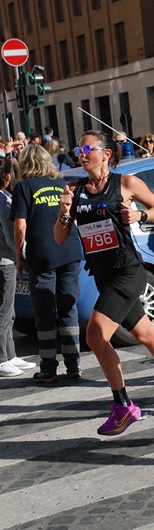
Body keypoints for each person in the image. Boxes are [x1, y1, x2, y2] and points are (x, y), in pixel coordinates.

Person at [54, 130, 154, 435]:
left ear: (106, 154)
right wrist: (65, 212)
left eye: (87, 148)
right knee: (146, 334)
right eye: (77, 148)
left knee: (95, 335)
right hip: (104, 273)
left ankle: (123, 405)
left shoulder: (125, 184)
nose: (80, 153)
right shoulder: (74, 188)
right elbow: (60, 238)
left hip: (129, 270)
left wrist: (140, 216)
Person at [10, 144, 83, 383]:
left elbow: (20, 226)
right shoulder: (61, 184)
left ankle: (49, 368)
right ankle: (74, 366)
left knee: (44, 314)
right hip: (70, 251)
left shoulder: (23, 188)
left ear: (24, 164)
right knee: (68, 309)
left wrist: (19, 257)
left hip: (42, 256)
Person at [0, 158, 36, 376]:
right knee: (4, 312)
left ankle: (10, 354)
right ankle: (2, 358)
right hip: (5, 261)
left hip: (5, 260)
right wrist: (21, 255)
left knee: (9, 312)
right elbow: (9, 233)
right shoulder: (3, 201)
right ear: (7, 177)